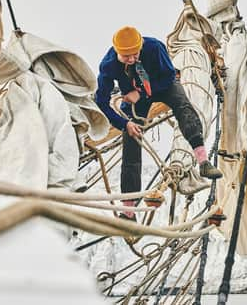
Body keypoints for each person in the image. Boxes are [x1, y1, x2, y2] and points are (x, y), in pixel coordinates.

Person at [95, 26, 222, 220]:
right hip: (135, 96)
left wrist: (141, 93)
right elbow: (101, 102)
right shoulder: (108, 65)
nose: (130, 59)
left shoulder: (154, 48)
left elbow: (169, 77)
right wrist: (124, 124)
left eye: (134, 54)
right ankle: (129, 211)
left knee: (184, 108)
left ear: (141, 46)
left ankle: (203, 160)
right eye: (125, 56)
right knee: (130, 142)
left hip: (162, 85)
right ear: (116, 52)